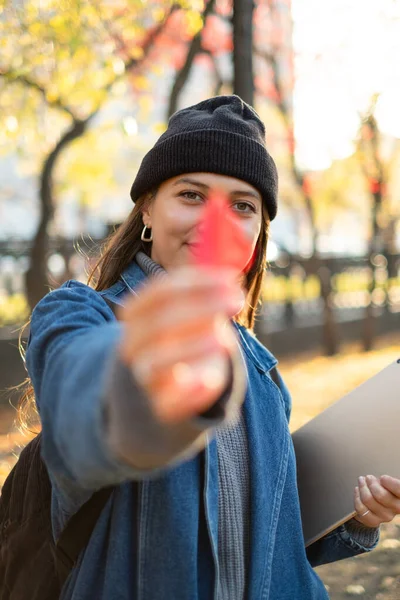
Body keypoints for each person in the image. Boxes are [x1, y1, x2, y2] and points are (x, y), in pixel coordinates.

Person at [25, 95, 400, 600]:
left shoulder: (262, 372)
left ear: (256, 236)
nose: (214, 222)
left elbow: (269, 542)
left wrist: (354, 517)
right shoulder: (77, 317)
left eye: (242, 206)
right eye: (192, 194)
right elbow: (85, 415)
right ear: (148, 212)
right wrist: (150, 381)